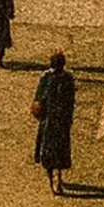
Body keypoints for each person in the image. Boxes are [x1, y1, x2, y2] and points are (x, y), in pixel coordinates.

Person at [33, 51, 77, 195]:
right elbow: (71, 101)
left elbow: (38, 99)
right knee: (58, 152)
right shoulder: (67, 78)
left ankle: (53, 182)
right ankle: (57, 182)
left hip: (50, 121)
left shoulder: (47, 78)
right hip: (59, 121)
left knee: (50, 153)